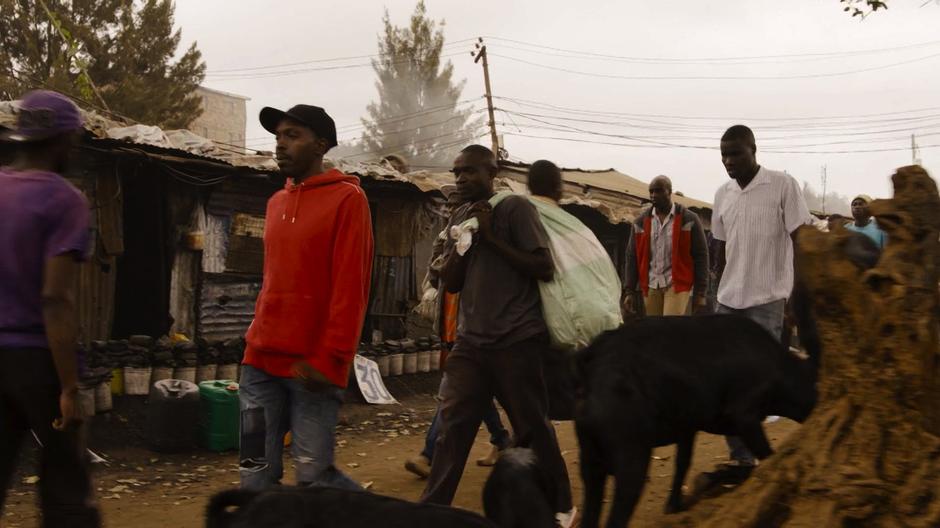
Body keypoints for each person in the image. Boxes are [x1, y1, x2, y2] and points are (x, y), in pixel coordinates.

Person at [420, 146, 576, 528]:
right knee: (452, 431)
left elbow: (543, 265)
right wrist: (464, 243)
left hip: (517, 341)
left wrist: (489, 236)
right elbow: (452, 283)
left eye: (469, 172)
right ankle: (430, 513)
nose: (460, 179)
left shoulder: (515, 210)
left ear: (493, 172)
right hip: (472, 343)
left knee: (532, 429)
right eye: (456, 173)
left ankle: (562, 505)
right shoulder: (461, 214)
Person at [239, 103, 374, 490]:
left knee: (314, 476)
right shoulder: (275, 202)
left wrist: (331, 358)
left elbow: (352, 286)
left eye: (292, 136)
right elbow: (272, 279)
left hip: (310, 368)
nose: (280, 145)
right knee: (253, 471)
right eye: (278, 136)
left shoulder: (348, 200)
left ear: (321, 145)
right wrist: (253, 337)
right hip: (258, 364)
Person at [0, 90, 101, 527]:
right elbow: (54, 298)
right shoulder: (64, 200)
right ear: (65, 141)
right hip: (37, 360)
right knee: (65, 485)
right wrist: (69, 387)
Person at [711, 125, 813, 469]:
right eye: (724, 154)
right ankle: (741, 457)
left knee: (755, 383)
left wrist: (796, 295)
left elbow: (801, 241)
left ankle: (768, 454)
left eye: (736, 153)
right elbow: (722, 249)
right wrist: (716, 290)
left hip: (767, 300)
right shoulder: (722, 194)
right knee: (725, 379)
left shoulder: (782, 186)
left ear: (754, 150)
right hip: (728, 300)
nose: (728, 161)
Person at [405, 187, 512, 479]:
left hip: (478, 324)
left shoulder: (486, 228)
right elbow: (436, 268)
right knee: (477, 390)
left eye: (454, 203)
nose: (449, 208)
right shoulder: (446, 236)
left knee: (453, 391)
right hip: (452, 320)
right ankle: (503, 441)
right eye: (447, 204)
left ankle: (429, 455)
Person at [624, 175, 709, 317]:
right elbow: (632, 257)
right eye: (651, 192)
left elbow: (701, 255)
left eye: (658, 191)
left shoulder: (689, 219)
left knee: (670, 328)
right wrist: (629, 291)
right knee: (655, 330)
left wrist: (701, 293)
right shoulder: (640, 222)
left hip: (676, 283)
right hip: (651, 283)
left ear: (669, 192)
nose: (653, 195)